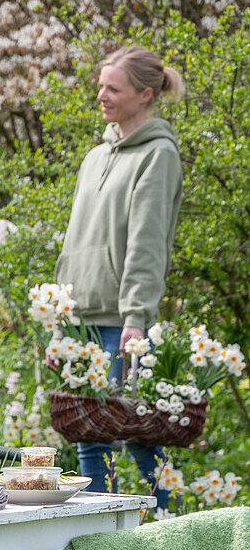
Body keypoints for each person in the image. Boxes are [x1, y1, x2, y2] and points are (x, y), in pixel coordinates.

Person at [55, 45, 184, 504]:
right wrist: (61, 312)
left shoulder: (158, 155)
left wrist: (136, 317)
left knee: (139, 437)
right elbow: (76, 239)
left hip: (121, 324)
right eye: (101, 85)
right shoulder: (95, 157)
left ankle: (175, 531)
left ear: (145, 95)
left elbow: (148, 244)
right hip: (81, 319)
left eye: (114, 88)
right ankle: (100, 543)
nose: (102, 95)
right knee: (90, 436)